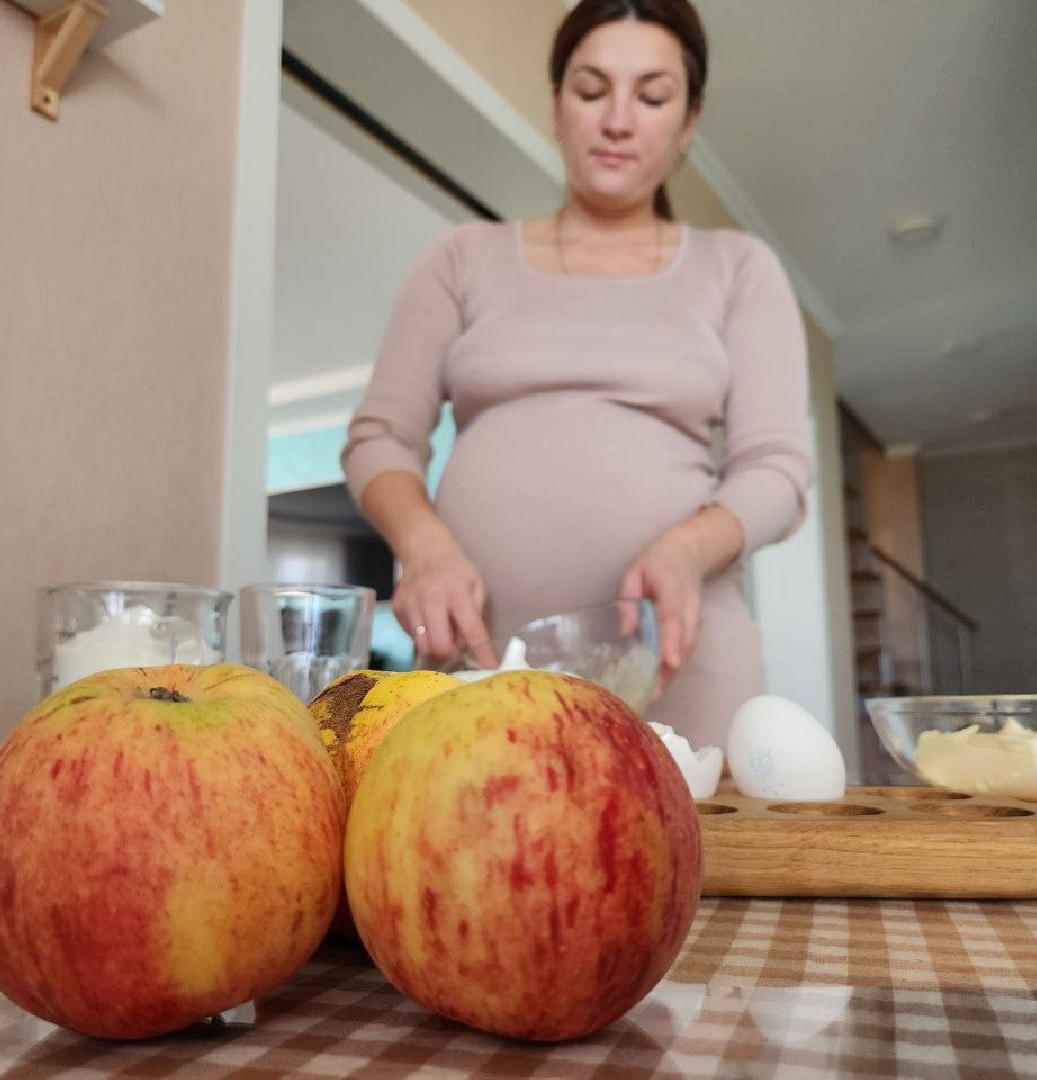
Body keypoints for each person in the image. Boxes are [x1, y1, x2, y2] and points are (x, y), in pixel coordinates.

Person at [340, 0, 813, 750]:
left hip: (681, 670)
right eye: (592, 91)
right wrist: (423, 543)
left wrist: (687, 549)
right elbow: (379, 439)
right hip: (482, 669)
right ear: (557, 108)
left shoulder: (738, 270)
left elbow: (779, 469)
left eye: (652, 96)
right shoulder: (461, 259)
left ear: (688, 121)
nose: (618, 120)